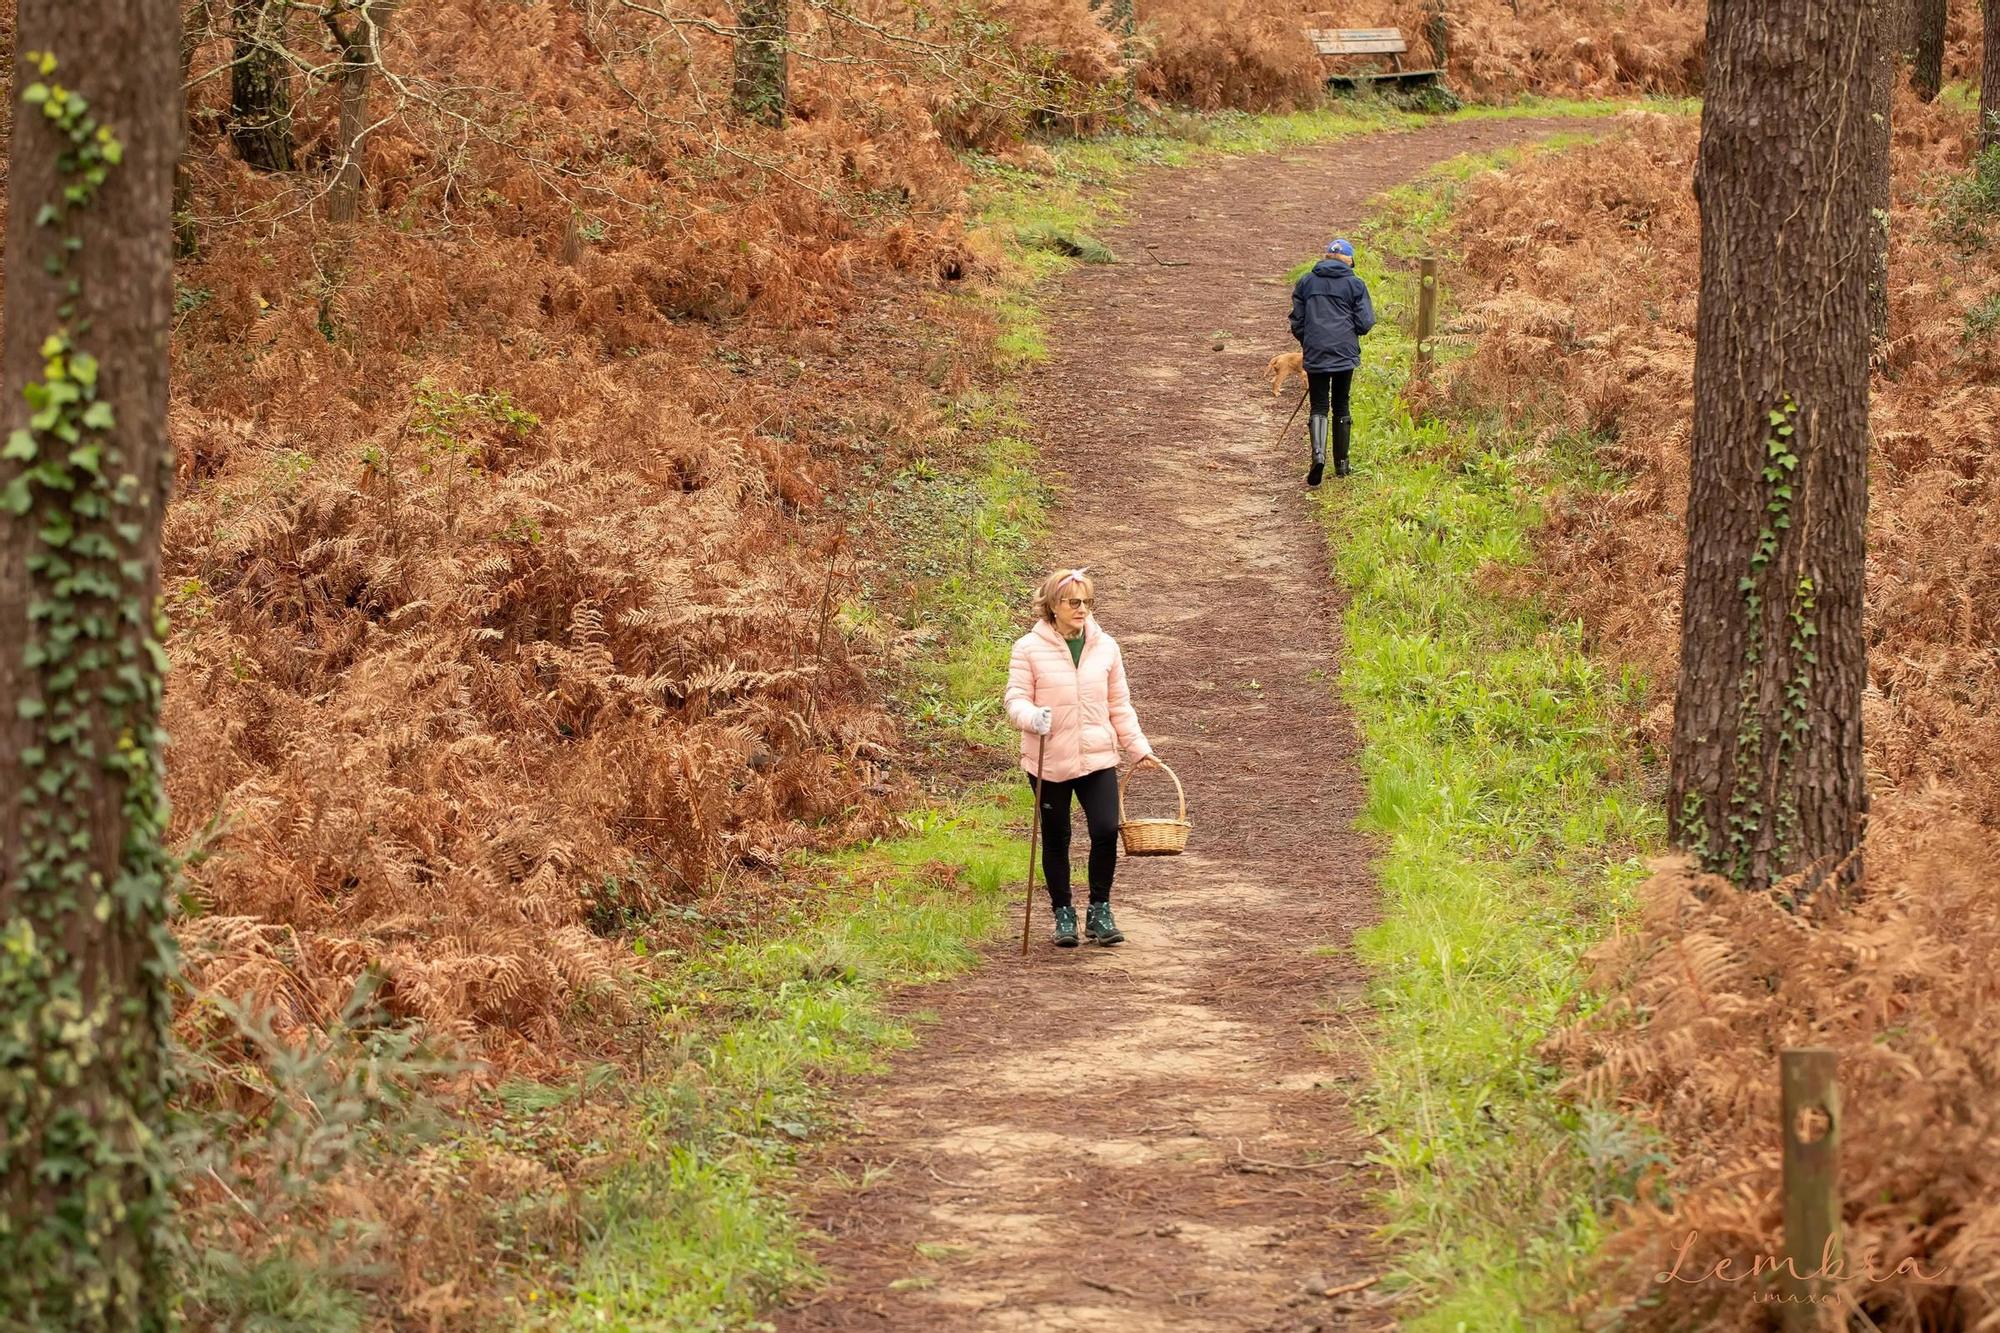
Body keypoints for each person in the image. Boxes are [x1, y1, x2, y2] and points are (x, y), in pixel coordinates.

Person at [1004, 567, 1159, 948]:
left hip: (1097, 756)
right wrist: (1031, 717)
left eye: (1088, 602)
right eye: (1074, 602)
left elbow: (1119, 705)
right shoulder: (1028, 648)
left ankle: (1100, 910)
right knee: (1057, 838)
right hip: (1049, 759)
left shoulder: (1106, 647)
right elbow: (1014, 699)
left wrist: (1138, 748)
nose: (1082, 609)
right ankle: (1063, 914)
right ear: (1052, 605)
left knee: (1106, 830)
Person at [1288, 237, 1377, 487]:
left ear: (1327, 257)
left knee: (1318, 404)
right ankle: (1342, 464)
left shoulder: (1307, 281)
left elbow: (1297, 319)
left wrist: (1310, 340)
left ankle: (1318, 457)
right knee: (1341, 402)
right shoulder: (1355, 284)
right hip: (1344, 352)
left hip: (1315, 351)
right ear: (1348, 260)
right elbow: (1365, 322)